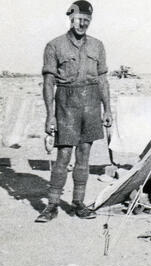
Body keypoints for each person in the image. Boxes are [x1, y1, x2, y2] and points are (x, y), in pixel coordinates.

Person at [35, 1, 112, 222]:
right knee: (64, 154)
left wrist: (107, 109)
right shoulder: (54, 45)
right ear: (71, 18)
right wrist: (50, 115)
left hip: (91, 103)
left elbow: (103, 80)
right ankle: (51, 205)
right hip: (65, 103)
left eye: (87, 20)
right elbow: (48, 83)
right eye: (79, 19)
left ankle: (78, 203)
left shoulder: (98, 45)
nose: (83, 24)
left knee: (84, 155)